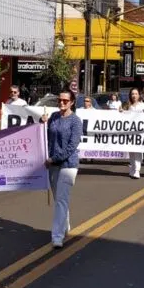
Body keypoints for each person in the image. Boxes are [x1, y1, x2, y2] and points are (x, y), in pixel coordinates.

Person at [41, 89, 83, 249]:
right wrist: (42, 122)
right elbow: (45, 136)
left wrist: (54, 158)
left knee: (61, 200)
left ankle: (57, 236)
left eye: (65, 100)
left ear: (72, 102)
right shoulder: (54, 117)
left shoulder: (75, 121)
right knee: (59, 199)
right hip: (52, 165)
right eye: (60, 100)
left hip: (68, 165)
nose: (62, 103)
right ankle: (65, 226)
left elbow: (72, 146)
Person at [122, 88, 144, 179]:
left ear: (138, 95)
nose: (134, 95)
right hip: (130, 132)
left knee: (138, 152)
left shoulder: (142, 105)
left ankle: (137, 170)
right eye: (132, 94)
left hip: (140, 132)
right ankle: (132, 169)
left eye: (136, 94)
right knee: (131, 151)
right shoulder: (127, 105)